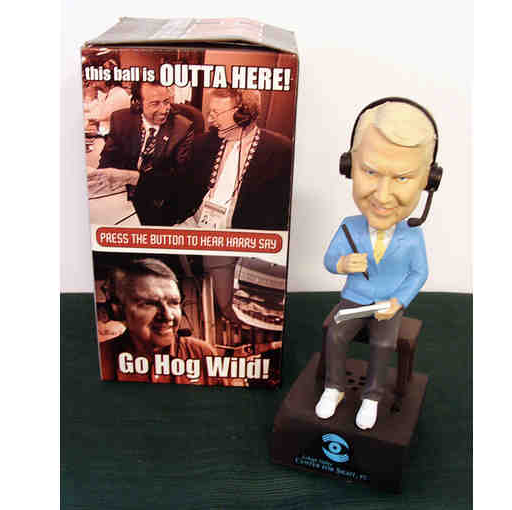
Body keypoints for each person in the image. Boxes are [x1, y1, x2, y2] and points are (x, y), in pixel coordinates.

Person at [315, 100, 436, 430]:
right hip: (354, 299)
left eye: (402, 177)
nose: (382, 196)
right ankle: (334, 388)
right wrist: (342, 264)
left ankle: (372, 397)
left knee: (383, 344)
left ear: (429, 180)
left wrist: (399, 302)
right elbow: (329, 260)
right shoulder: (348, 227)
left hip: (387, 305)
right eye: (370, 171)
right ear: (348, 167)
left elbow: (419, 272)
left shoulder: (412, 237)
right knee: (336, 334)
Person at [178, 89, 293, 230]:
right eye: (210, 112)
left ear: (243, 115)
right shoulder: (202, 143)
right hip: (195, 224)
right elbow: (184, 195)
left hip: (241, 234)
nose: (209, 120)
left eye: (216, 113)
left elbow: (277, 214)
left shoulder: (279, 151)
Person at [87, 80, 194, 225]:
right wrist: (103, 177)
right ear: (138, 103)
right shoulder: (121, 119)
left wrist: (133, 177)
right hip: (122, 196)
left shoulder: (182, 128)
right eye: (155, 104)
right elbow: (108, 161)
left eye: (166, 102)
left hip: (158, 202)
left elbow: (177, 180)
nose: (164, 110)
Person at [99, 258, 220, 384]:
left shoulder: (202, 354)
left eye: (174, 303)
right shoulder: (98, 359)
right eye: (149, 303)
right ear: (119, 310)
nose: (168, 315)